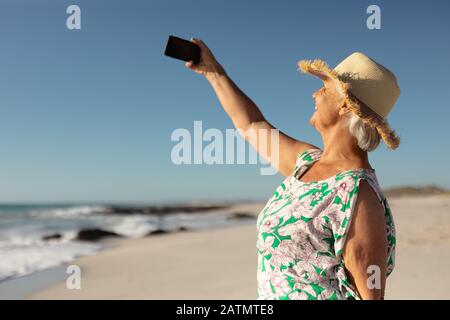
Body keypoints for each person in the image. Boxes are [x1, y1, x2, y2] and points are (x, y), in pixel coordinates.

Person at [185, 38, 399, 300]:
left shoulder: (358, 196)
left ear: (345, 105)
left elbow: (371, 297)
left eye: (324, 87)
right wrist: (213, 72)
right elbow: (252, 125)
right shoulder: (306, 162)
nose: (315, 94)